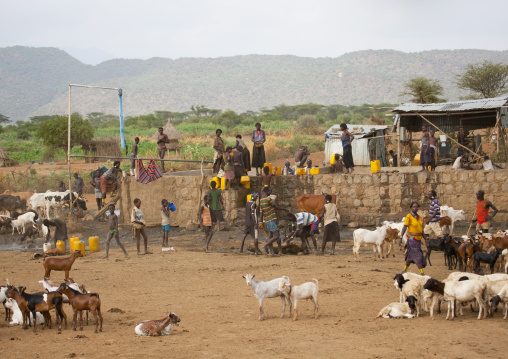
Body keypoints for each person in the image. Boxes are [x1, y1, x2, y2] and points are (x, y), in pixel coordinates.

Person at [399, 202, 428, 275]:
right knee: (418, 256)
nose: (415, 208)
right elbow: (405, 227)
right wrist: (401, 237)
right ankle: (422, 273)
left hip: (418, 240)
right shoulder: (408, 216)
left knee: (410, 257)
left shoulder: (419, 218)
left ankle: (405, 270)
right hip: (412, 240)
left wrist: (426, 239)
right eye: (414, 207)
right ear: (411, 208)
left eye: (416, 207)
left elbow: (422, 230)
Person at [259, 187, 288, 256]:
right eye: (270, 191)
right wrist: (285, 209)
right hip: (271, 219)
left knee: (270, 235)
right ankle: (264, 246)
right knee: (276, 235)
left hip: (266, 219)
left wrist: (261, 222)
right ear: (268, 191)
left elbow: (261, 212)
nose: (271, 193)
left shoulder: (261, 200)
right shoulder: (269, 199)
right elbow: (276, 207)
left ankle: (271, 252)